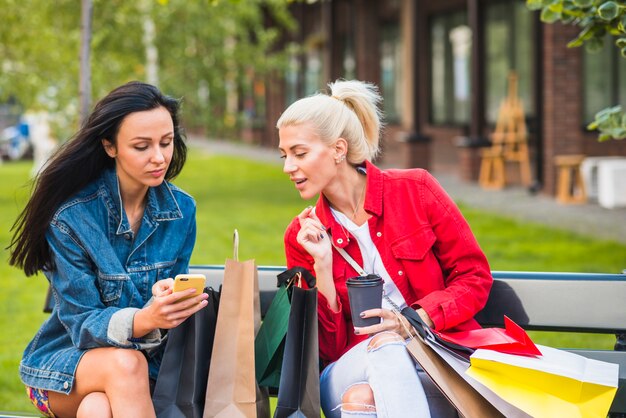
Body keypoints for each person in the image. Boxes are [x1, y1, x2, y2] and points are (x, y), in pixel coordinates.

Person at [277, 80, 493, 418]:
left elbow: (474, 277)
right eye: (284, 155)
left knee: (362, 401)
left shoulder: (415, 191)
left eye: (299, 153)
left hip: (435, 360)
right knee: (384, 350)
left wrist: (413, 320)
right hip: (350, 365)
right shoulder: (302, 236)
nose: (288, 167)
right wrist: (322, 264)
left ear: (338, 149)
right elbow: (327, 349)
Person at [9, 81, 207, 418]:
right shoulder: (72, 217)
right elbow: (82, 322)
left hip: (142, 374)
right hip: (63, 368)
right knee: (125, 364)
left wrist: (165, 297)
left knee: (97, 410)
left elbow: (170, 302)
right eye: (142, 146)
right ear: (109, 146)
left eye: (166, 142)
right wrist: (145, 318)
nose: (158, 157)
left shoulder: (181, 211)